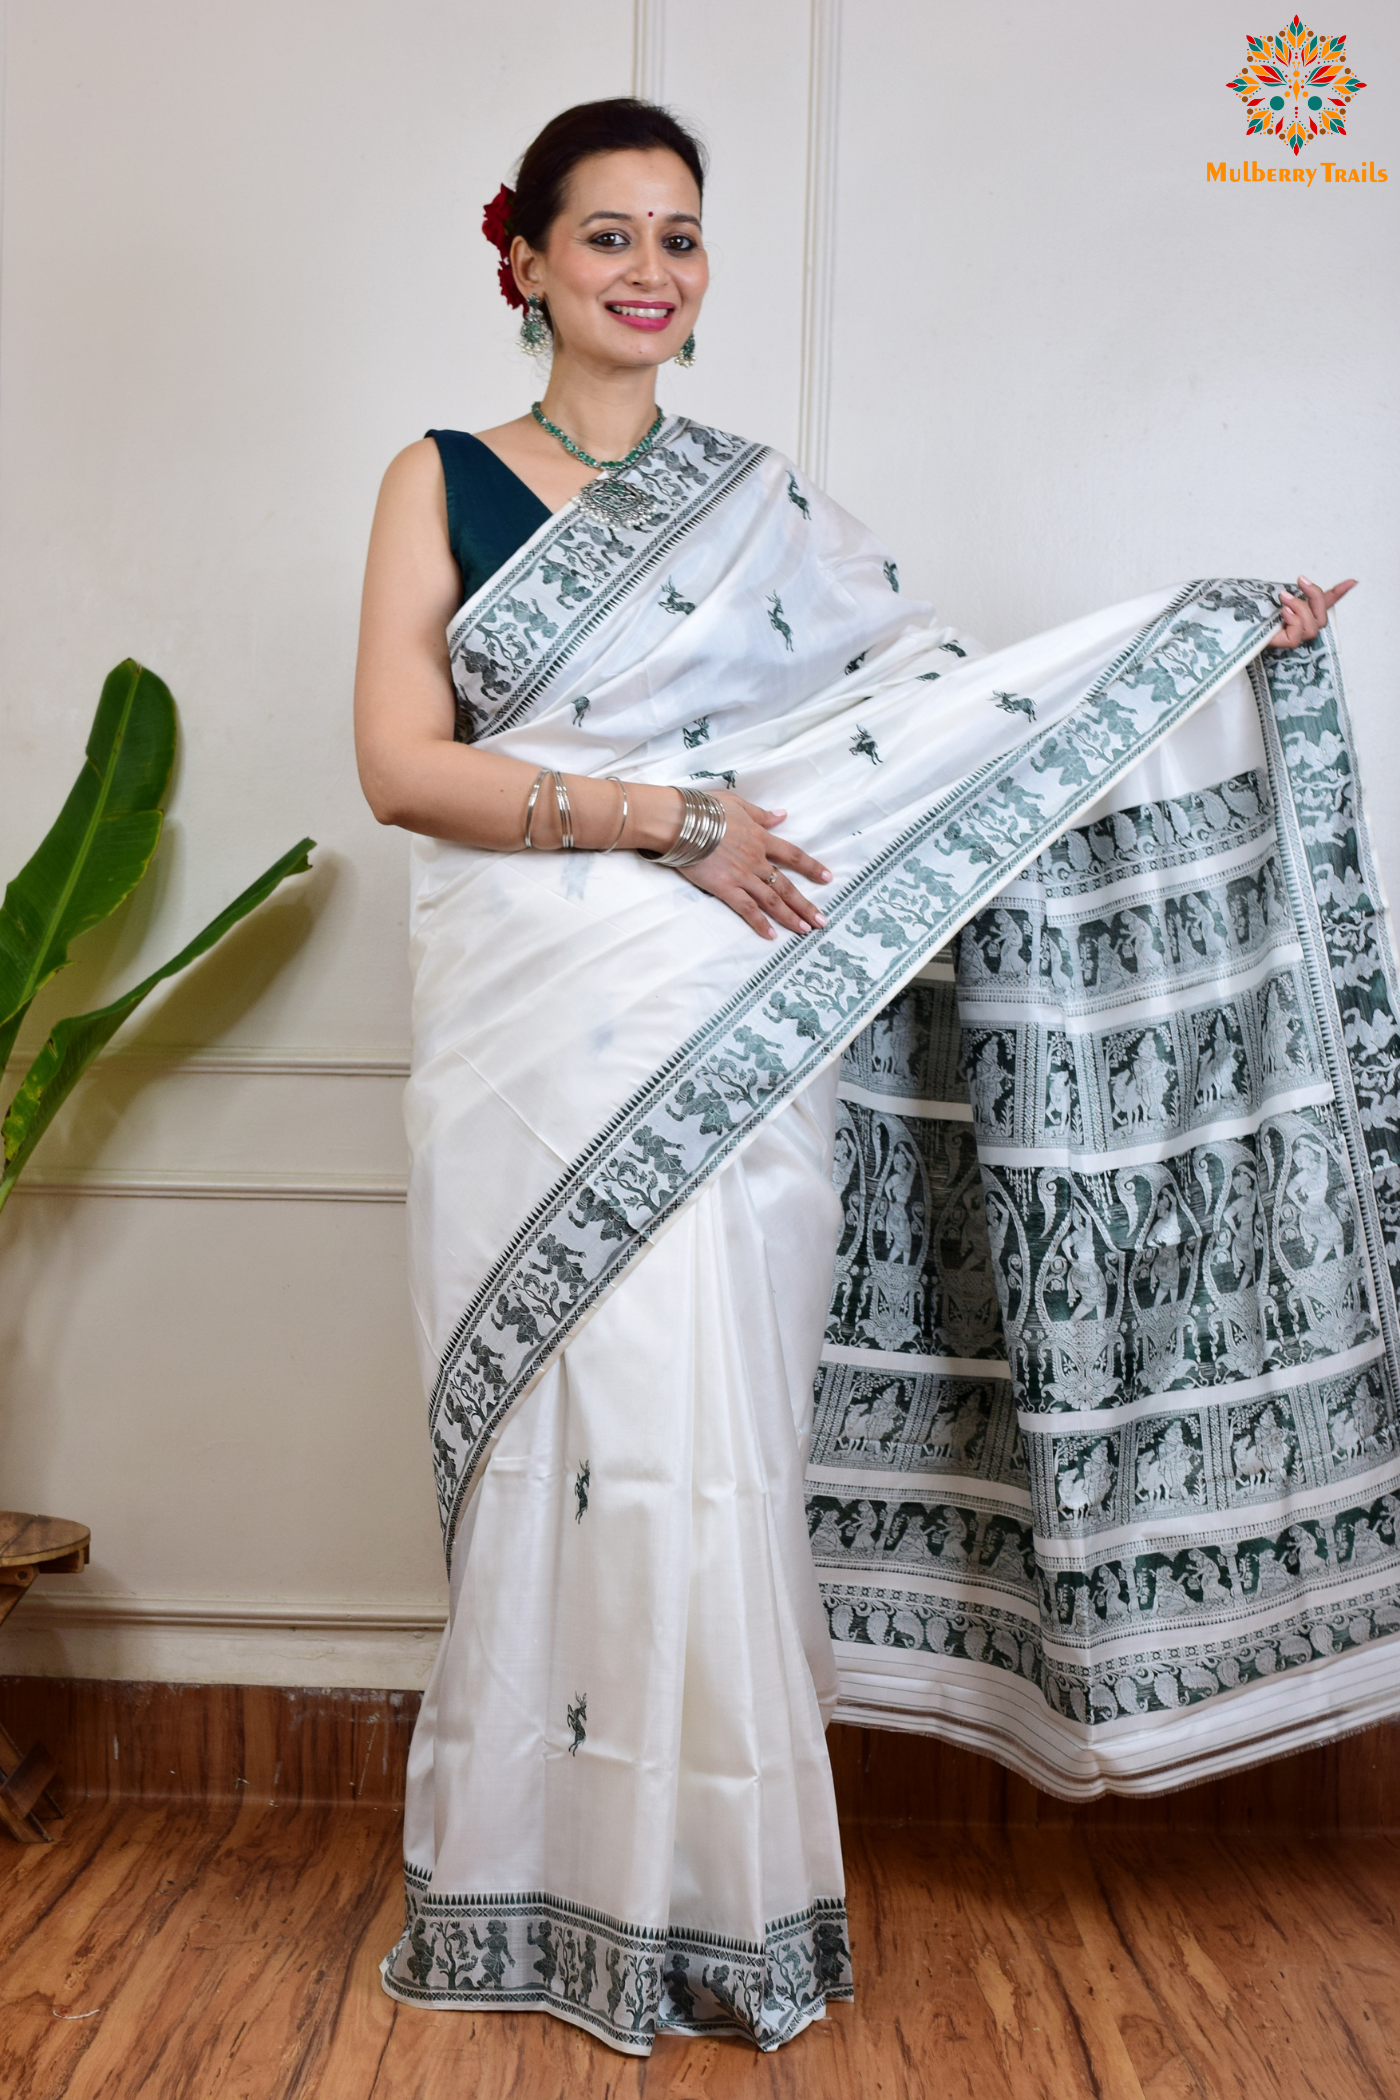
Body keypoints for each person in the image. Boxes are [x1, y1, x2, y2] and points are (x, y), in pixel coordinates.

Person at [354, 97, 1356, 2056]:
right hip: (540, 1024)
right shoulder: (441, 477)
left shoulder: (761, 510)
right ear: (526, 260)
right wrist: (669, 820)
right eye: (609, 236)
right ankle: (524, 1900)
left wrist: (1198, 641)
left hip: (743, 1031)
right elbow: (404, 764)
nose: (649, 272)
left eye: (681, 239)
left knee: (715, 1452)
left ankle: (715, 1914)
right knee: (574, 1463)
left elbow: (935, 724)